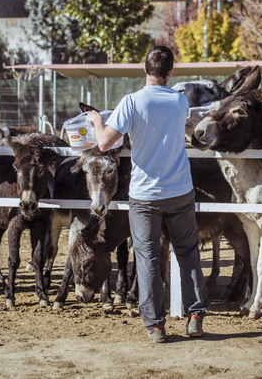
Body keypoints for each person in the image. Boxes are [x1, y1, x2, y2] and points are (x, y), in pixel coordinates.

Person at [87, 45, 209, 343]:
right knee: (188, 253)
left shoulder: (131, 101)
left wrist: (95, 121)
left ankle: (155, 325)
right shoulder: (180, 102)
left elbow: (104, 143)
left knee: (148, 257)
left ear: (145, 69)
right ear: (170, 72)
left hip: (145, 196)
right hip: (180, 190)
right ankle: (195, 316)